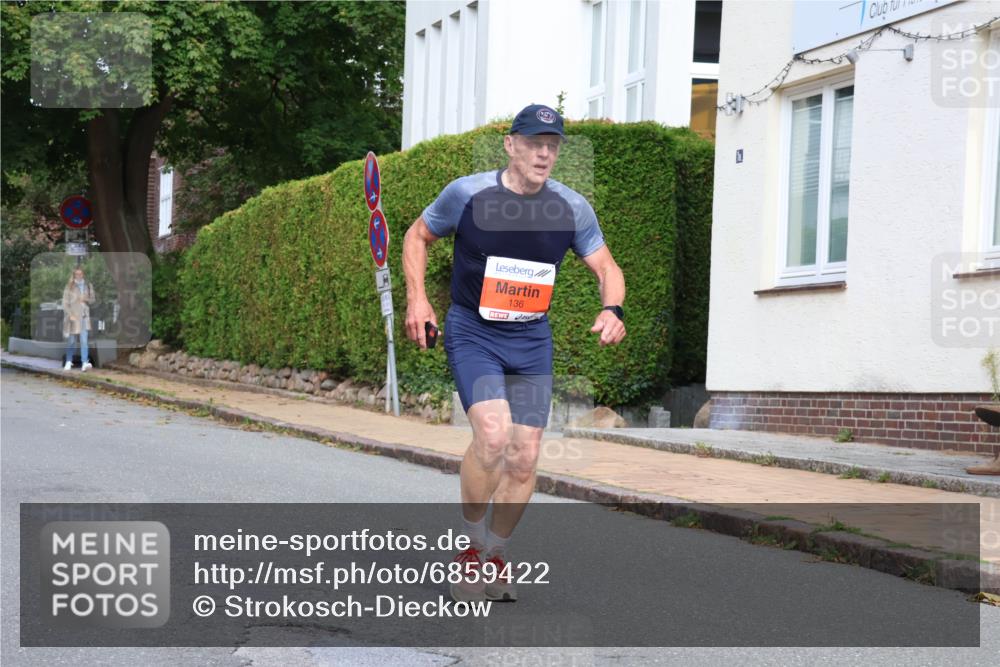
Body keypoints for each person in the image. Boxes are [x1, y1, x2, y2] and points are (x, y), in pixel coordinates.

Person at [402, 104, 626, 602]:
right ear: (510, 144)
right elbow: (418, 236)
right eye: (534, 142)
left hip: (530, 339)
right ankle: (470, 548)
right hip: (474, 332)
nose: (544, 153)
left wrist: (613, 309)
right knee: (493, 435)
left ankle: (497, 554)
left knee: (524, 457)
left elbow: (607, 267)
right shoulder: (467, 194)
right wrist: (418, 298)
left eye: (553, 145)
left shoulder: (572, 208)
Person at [62, 267, 95, 371]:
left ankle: (84, 362)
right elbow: (64, 303)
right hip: (74, 317)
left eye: (80, 274)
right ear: (74, 275)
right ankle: (68, 361)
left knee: (84, 340)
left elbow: (93, 300)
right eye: (77, 274)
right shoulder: (69, 287)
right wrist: (70, 314)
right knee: (72, 341)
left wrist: (86, 299)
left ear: (83, 274)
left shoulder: (88, 286)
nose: (79, 276)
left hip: (84, 316)